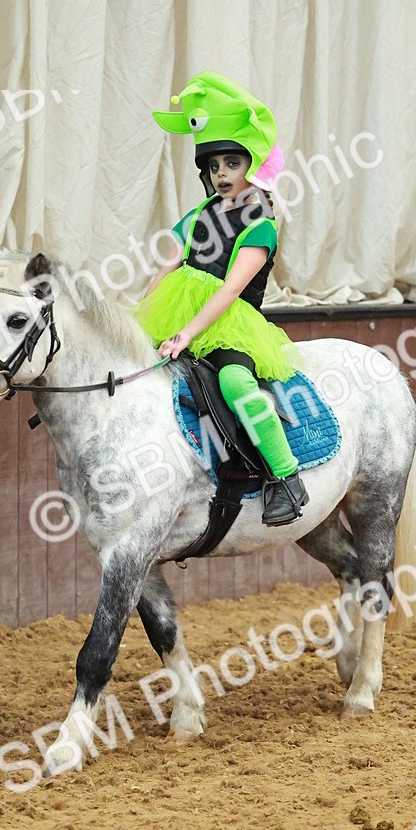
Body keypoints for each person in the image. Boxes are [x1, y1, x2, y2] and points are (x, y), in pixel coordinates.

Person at [137, 71, 309, 527]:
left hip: (230, 324)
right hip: (180, 316)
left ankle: (285, 477)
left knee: (236, 385)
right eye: (214, 167)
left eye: (231, 164)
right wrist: (140, 319)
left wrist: (185, 333)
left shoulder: (261, 225)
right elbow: (168, 267)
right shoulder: (197, 215)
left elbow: (232, 290)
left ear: (250, 166)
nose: (221, 175)